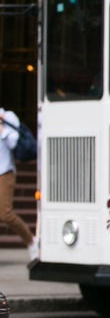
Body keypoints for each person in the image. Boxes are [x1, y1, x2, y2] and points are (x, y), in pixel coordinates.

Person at [0, 108, 37, 260]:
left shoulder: (8, 117)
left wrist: (2, 129)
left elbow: (15, 143)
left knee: (5, 213)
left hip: (4, 172)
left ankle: (31, 241)